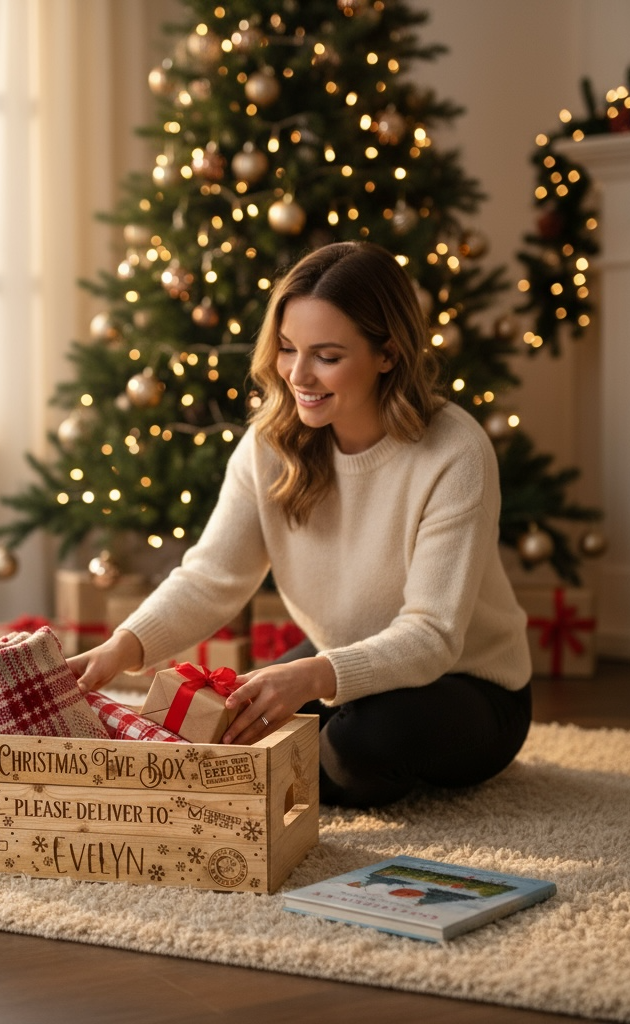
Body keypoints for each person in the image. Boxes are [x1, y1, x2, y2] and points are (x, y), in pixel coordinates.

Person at [67, 241, 532, 809]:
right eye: (287, 349)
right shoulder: (269, 442)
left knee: (360, 744)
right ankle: (287, 766)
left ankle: (306, 764)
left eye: (327, 355)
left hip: (468, 683)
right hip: (339, 660)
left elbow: (433, 635)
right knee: (236, 719)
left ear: (388, 354)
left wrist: (312, 679)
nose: (298, 374)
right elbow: (212, 576)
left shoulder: (454, 451)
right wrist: (121, 648)